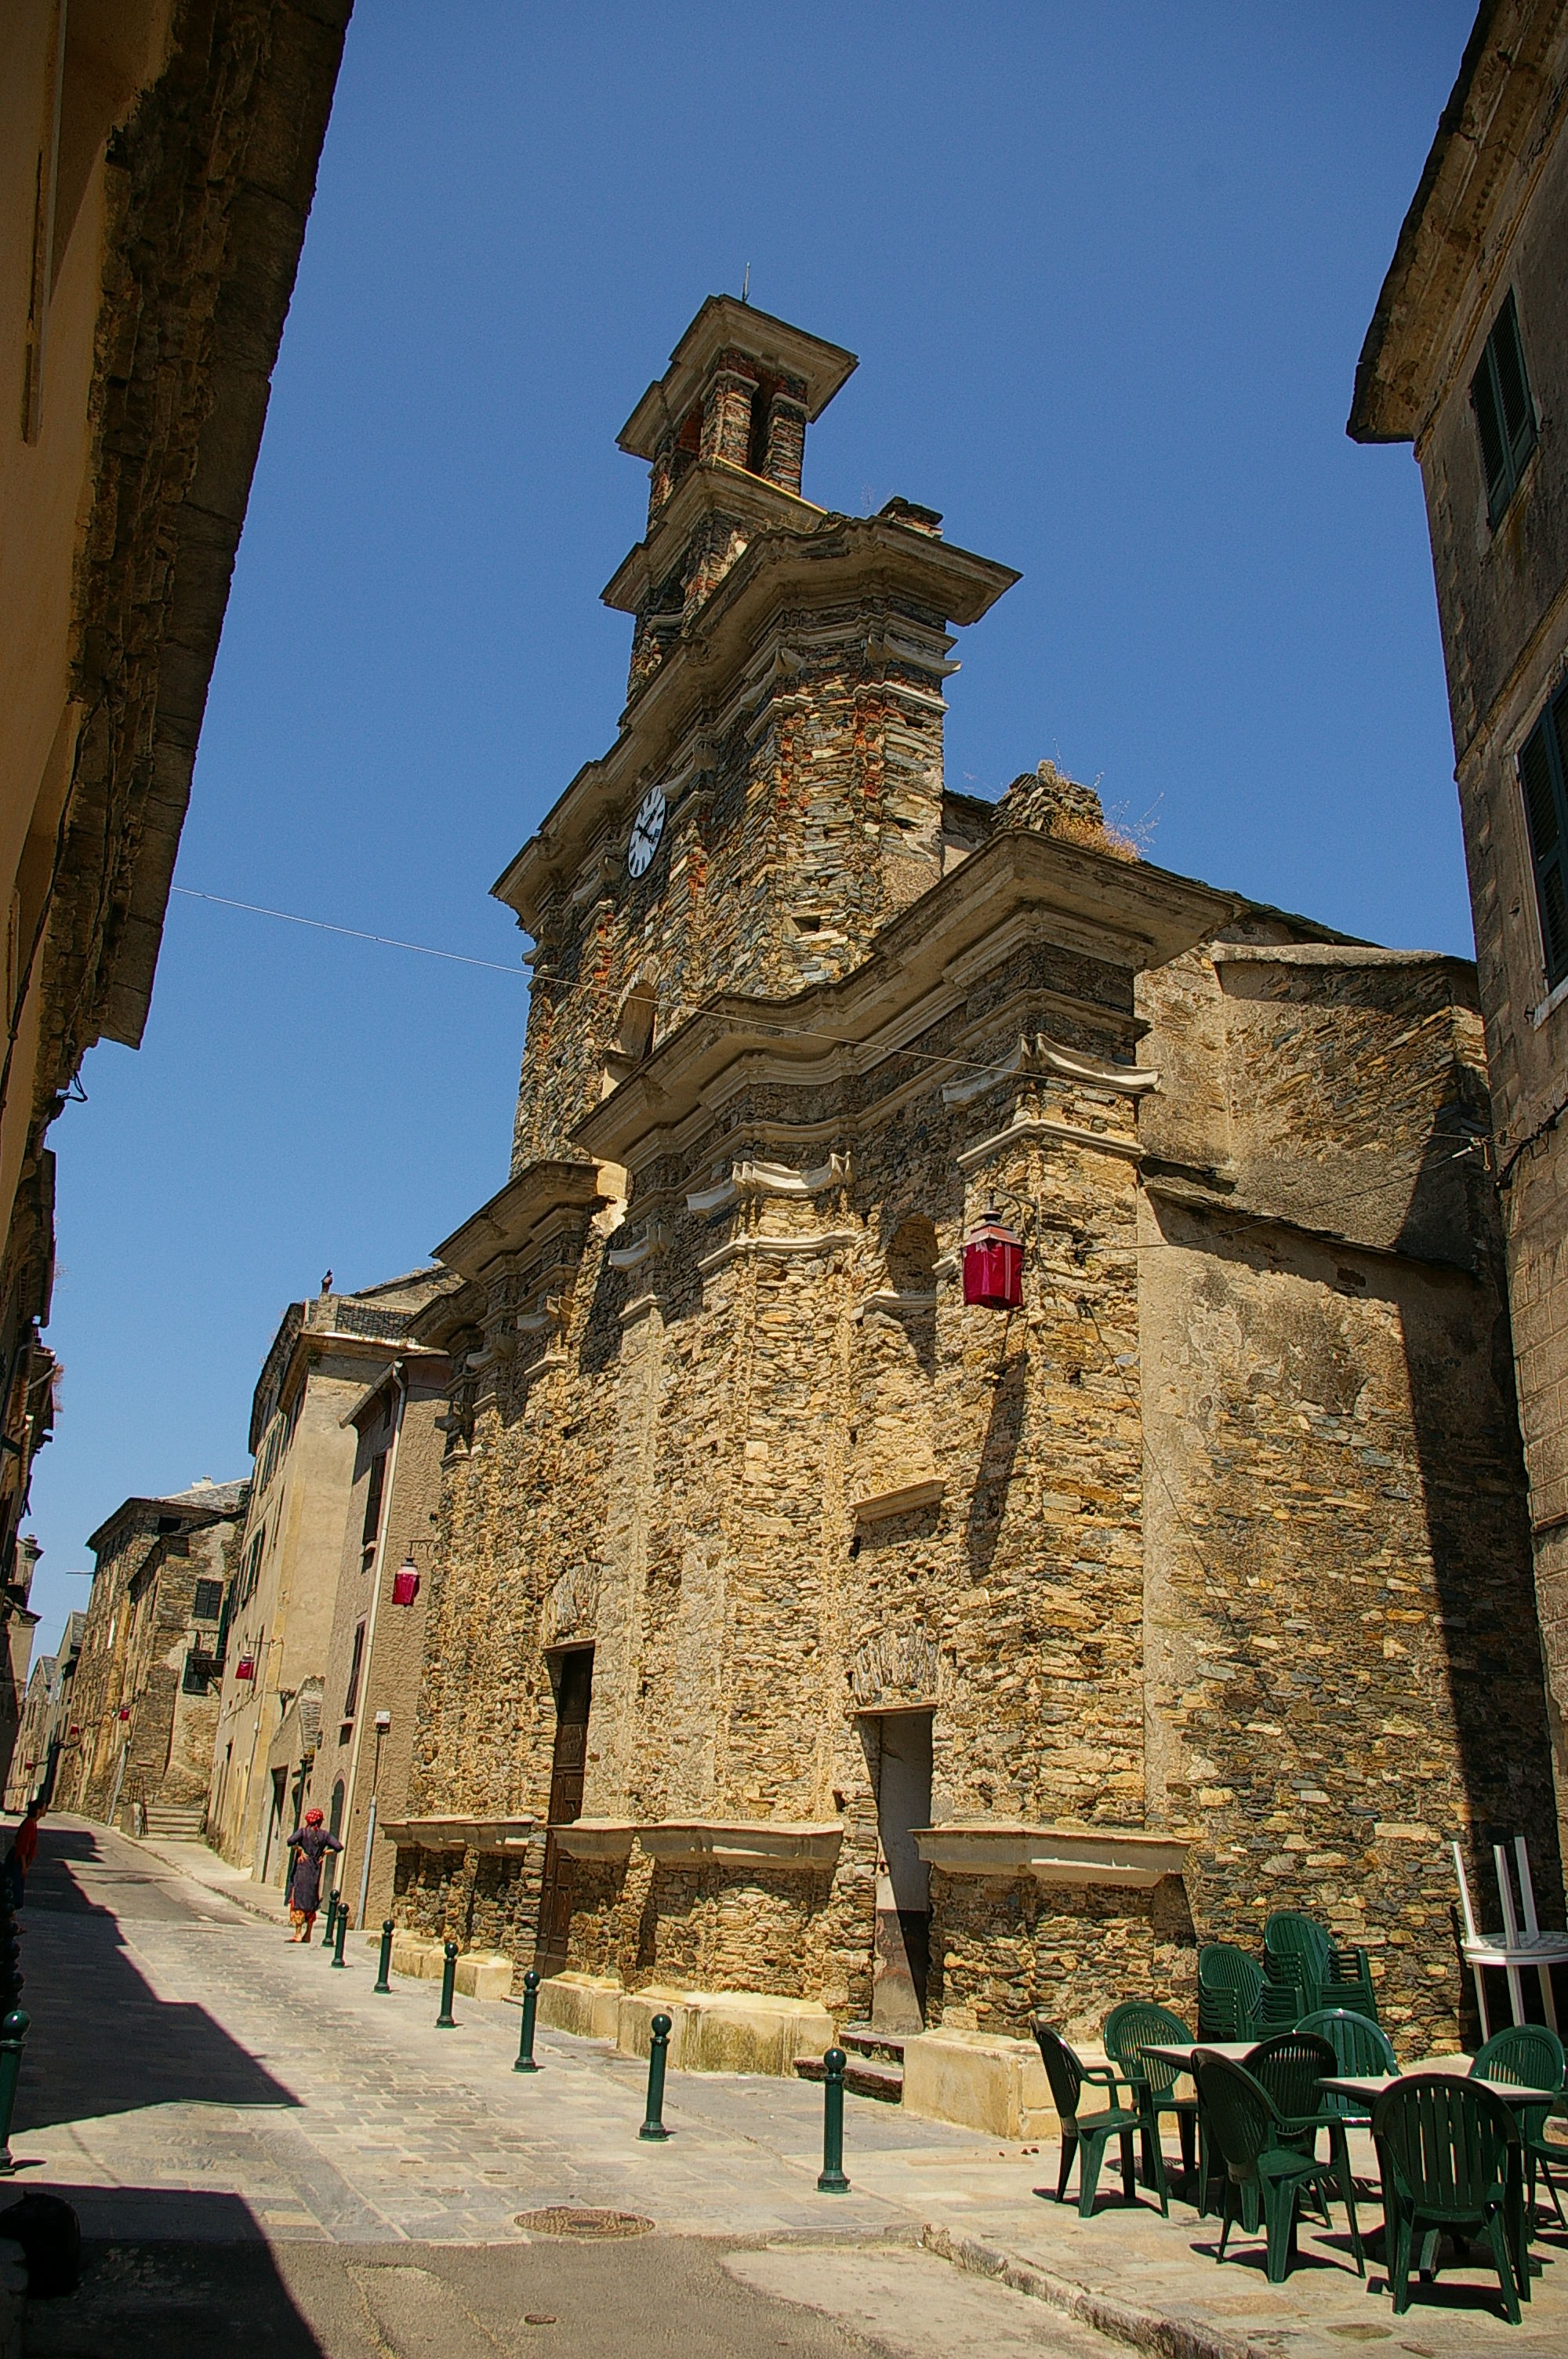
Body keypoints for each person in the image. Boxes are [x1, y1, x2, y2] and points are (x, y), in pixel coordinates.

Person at [284, 1807, 341, 1943]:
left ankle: (298, 1933)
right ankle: (308, 1933)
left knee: (298, 1899)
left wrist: (300, 1850)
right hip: (315, 1869)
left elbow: (290, 1841)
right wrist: (324, 1853)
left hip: (303, 1869)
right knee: (311, 1899)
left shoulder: (303, 1833)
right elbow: (338, 1847)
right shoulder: (325, 1835)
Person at [3, 1802, 42, 1909]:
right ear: (38, 1811)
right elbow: (23, 1846)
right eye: (43, 1808)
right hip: (18, 1858)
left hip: (20, 1858)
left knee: (16, 1886)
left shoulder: (33, 1823)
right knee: (14, 1887)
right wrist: (24, 1865)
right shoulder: (29, 1824)